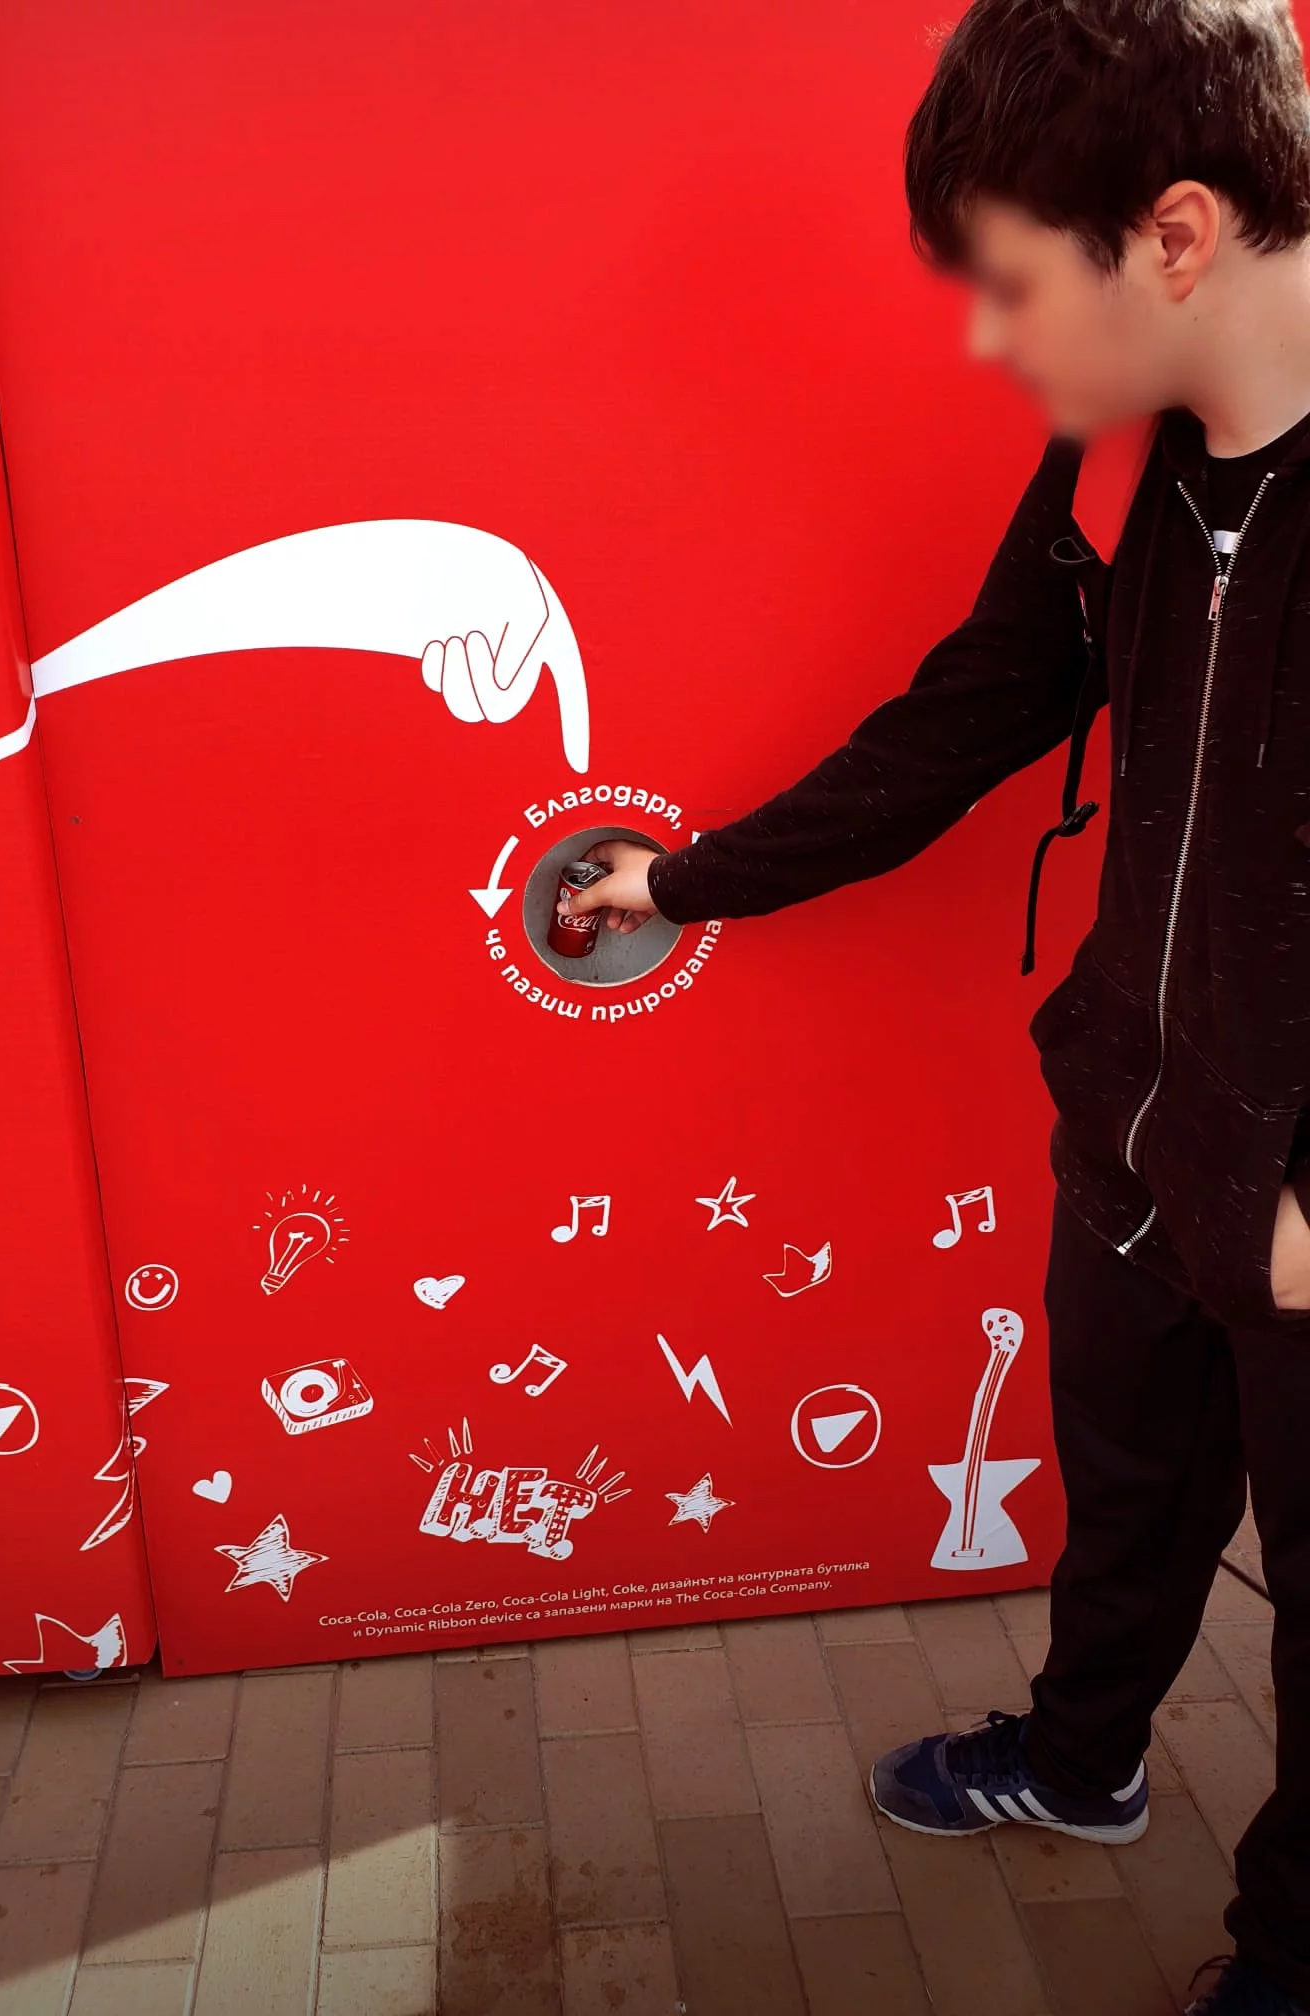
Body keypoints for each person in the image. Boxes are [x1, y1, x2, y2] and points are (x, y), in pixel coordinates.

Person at [558, 4, 1310, 2009]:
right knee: (1128, 1501)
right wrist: (689, 879)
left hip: (1304, 1194)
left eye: (1008, 284)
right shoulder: (1120, 462)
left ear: (1171, 234)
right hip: (1135, 1122)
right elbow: (973, 708)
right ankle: (1080, 1765)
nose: (987, 341)